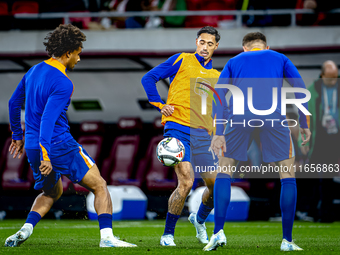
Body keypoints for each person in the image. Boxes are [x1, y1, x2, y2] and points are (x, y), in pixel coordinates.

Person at [5, 24, 136, 248]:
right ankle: (107, 239)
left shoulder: (34, 70)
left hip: (33, 146)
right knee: (100, 186)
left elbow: (13, 102)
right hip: (56, 144)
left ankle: (24, 230)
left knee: (52, 191)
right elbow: (47, 120)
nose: (79, 59)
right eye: (78, 54)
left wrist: (18, 135)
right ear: (68, 53)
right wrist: (47, 155)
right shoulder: (64, 82)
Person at [206, 32, 311, 251]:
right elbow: (300, 89)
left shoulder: (234, 61)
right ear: (266, 46)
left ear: (245, 48)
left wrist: (218, 131)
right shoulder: (280, 58)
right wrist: (304, 123)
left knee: (224, 171)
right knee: (287, 175)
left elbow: (218, 95)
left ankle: (217, 233)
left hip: (239, 116)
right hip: (273, 116)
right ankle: (287, 241)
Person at [141, 26, 220, 246]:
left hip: (203, 134)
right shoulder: (182, 60)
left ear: (216, 46)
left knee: (216, 185)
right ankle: (168, 235)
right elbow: (149, 78)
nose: (205, 47)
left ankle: (199, 219)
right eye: (202, 42)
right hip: (177, 128)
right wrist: (160, 104)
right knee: (186, 180)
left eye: (210, 44)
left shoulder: (217, 76)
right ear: (197, 42)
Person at [298, 60, 339, 222]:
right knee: (312, 176)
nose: (333, 81)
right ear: (322, 76)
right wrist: (305, 142)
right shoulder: (312, 91)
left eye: (335, 78)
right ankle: (310, 210)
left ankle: (326, 213)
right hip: (318, 138)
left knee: (328, 177)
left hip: (335, 137)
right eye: (329, 78)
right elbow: (305, 120)